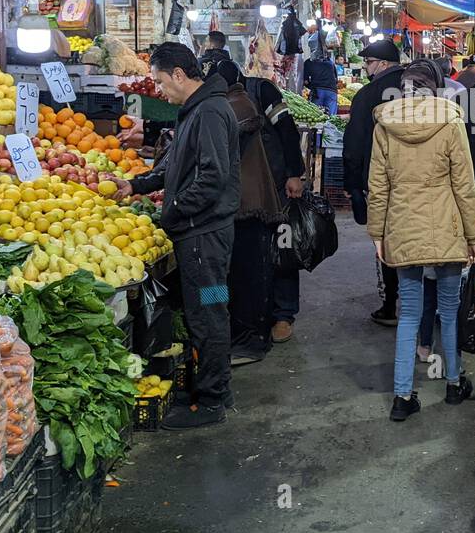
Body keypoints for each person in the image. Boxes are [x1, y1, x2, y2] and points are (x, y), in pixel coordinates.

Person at [116, 43, 239, 429]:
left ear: (180, 75)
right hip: (201, 236)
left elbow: (212, 178)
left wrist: (172, 209)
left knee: (210, 312)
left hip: (207, 239)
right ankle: (212, 387)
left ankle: (213, 400)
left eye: (160, 81)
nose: (160, 90)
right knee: (207, 310)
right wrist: (136, 187)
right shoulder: (195, 109)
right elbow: (174, 167)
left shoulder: (212, 112)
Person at [367, 59, 475, 420]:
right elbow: (464, 185)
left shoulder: (385, 124)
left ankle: (402, 397)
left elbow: (378, 186)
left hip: (402, 225)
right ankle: (453, 383)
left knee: (410, 316)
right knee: (448, 311)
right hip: (446, 225)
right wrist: (474, 236)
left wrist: (377, 233)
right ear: (437, 88)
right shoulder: (450, 120)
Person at [217, 60, 307, 349]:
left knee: (283, 249)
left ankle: (283, 314)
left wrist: (295, 173)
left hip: (275, 183)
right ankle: (252, 315)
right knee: (250, 257)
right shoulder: (211, 101)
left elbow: (287, 129)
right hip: (238, 195)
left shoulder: (261, 90)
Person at [342, 39, 406, 325]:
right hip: (423, 179)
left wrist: (353, 184)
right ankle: (428, 306)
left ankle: (391, 304)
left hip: (383, 180)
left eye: (368, 62)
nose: (365, 67)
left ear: (381, 64)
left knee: (388, 240)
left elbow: (354, 143)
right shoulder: (423, 90)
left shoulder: (368, 95)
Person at [302, 36, 339, 116]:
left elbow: (305, 81)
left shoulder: (309, 62)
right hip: (332, 91)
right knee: (332, 118)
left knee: (315, 116)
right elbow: (336, 79)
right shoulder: (330, 62)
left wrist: (311, 87)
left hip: (318, 91)